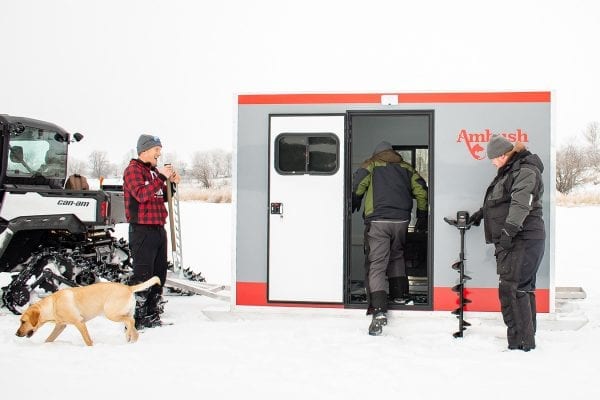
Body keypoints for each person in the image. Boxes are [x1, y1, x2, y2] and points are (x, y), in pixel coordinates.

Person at [469, 134, 545, 351]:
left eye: (493, 158)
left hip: (523, 238)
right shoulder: (512, 171)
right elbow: (500, 201)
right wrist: (480, 215)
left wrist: (508, 234)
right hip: (521, 238)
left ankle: (520, 343)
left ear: (503, 155)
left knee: (512, 289)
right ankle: (525, 338)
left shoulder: (525, 170)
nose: (492, 162)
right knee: (522, 289)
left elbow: (521, 204)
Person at [352, 141, 428, 336]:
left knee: (377, 263)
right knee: (396, 256)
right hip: (401, 221)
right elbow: (421, 190)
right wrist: (421, 214)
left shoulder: (371, 165)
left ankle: (378, 309)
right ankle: (400, 294)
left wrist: (355, 200)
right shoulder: (406, 168)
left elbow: (358, 185)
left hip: (378, 221)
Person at [123, 134, 181, 329]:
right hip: (142, 230)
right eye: (156, 149)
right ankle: (136, 318)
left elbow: (161, 196)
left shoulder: (154, 172)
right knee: (142, 275)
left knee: (158, 274)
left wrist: (172, 183)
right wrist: (161, 178)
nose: (159, 153)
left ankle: (152, 314)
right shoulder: (132, 170)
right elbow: (141, 194)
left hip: (158, 228)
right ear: (144, 151)